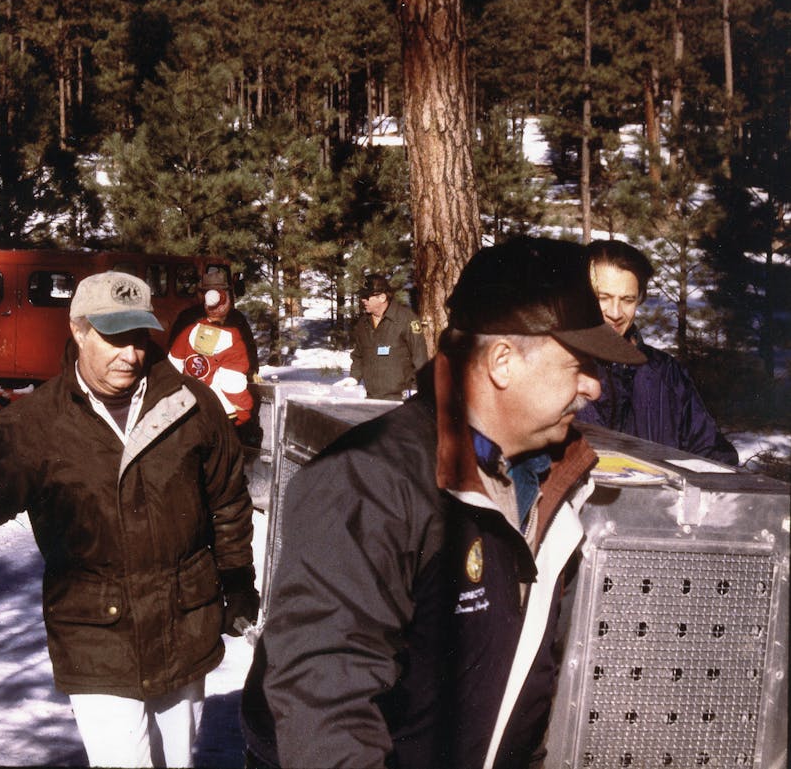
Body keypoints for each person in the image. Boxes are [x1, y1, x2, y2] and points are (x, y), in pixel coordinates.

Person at [240, 237, 647, 768]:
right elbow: (326, 708)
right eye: (580, 364)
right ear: (503, 362)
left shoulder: (548, 482)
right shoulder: (369, 482)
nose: (595, 388)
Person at [0, 271, 259, 769]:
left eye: (139, 338)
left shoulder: (192, 406)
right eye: (113, 338)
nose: (130, 355)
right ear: (78, 331)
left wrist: (236, 580)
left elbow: (227, 500)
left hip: (183, 621)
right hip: (96, 631)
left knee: (177, 762)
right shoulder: (34, 427)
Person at [576, 239, 738, 465]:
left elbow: (712, 455)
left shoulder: (664, 373)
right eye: (603, 298)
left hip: (660, 500)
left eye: (627, 300)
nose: (615, 312)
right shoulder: (556, 368)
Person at [168, 266, 258, 438]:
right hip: (225, 409)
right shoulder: (236, 320)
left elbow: (172, 363)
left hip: (188, 407)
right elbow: (247, 356)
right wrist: (245, 409)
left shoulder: (186, 320)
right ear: (226, 294)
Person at [338, 274, 429, 400]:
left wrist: (417, 388)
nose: (362, 300)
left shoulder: (406, 319)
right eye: (361, 296)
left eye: (366, 296)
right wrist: (354, 377)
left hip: (402, 400)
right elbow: (358, 355)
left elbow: (420, 358)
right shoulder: (363, 323)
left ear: (382, 297)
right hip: (372, 399)